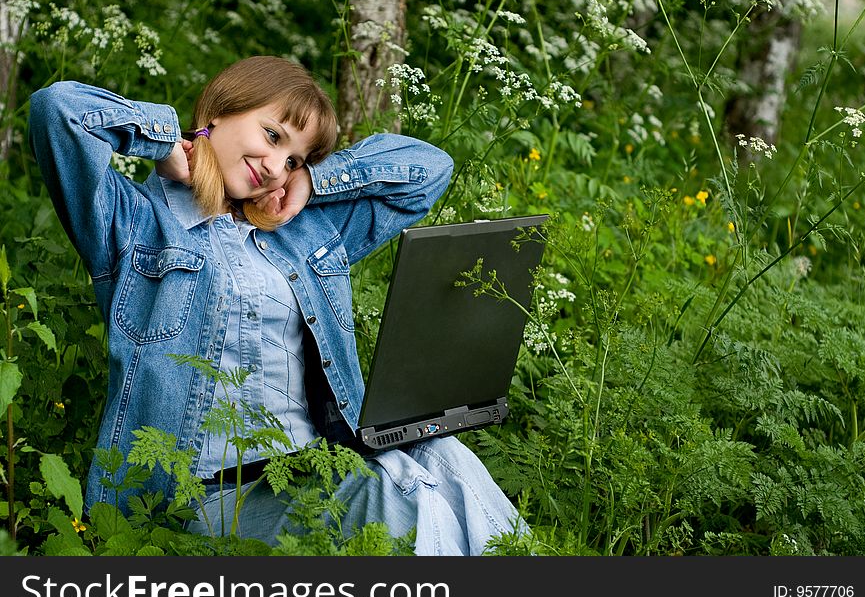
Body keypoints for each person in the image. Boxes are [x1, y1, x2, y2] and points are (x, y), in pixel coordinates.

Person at [28, 56, 523, 555]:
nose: (274, 167)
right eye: (271, 136)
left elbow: (430, 170)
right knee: (397, 500)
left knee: (444, 458)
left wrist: (314, 182)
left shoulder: (304, 233)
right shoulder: (135, 224)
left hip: (315, 466)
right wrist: (163, 143)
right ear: (219, 112)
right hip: (204, 498)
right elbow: (59, 111)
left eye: (292, 159)